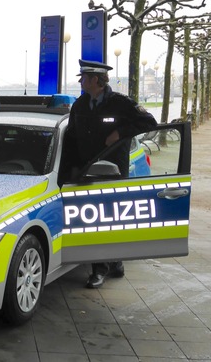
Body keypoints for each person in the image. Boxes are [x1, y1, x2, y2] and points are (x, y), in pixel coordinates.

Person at [62, 59, 158, 289]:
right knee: (94, 219)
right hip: (87, 170)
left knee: (109, 218)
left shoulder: (121, 104)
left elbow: (150, 122)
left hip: (113, 170)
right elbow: (71, 139)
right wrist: (72, 168)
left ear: (96, 80)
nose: (80, 81)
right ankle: (109, 263)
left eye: (84, 77)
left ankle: (104, 267)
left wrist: (120, 132)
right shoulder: (80, 105)